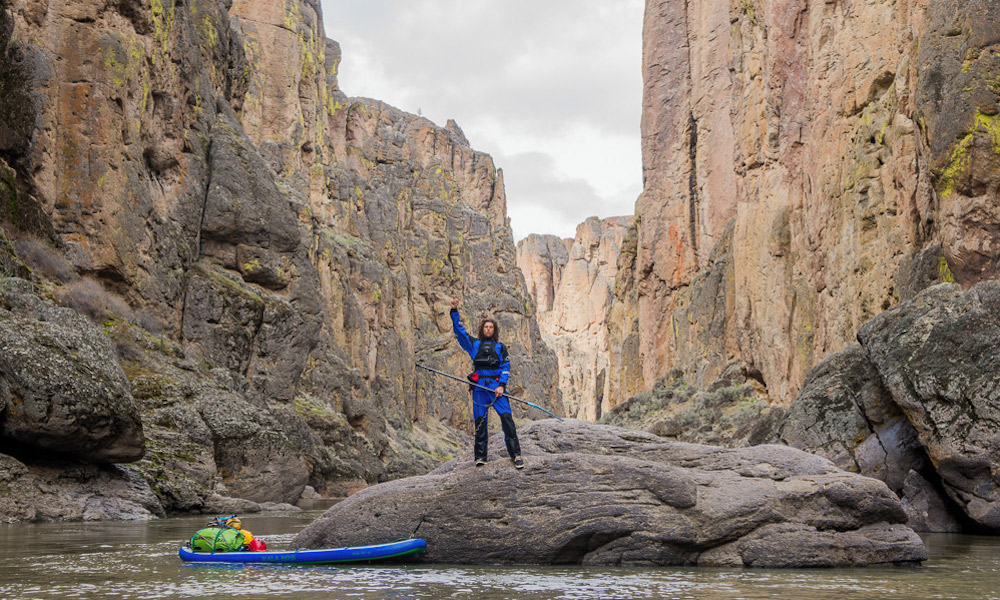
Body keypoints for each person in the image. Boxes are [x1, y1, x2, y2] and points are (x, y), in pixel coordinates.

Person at [450, 298, 524, 469]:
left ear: (495, 330)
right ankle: (480, 457)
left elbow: (505, 367)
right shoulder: (474, 345)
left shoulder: (500, 347)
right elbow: (460, 331)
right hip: (480, 389)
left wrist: (502, 386)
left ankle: (516, 454)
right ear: (482, 330)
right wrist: (454, 311)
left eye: (491, 327)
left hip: (497, 388)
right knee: (480, 423)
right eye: (486, 327)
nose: (488, 329)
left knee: (507, 420)